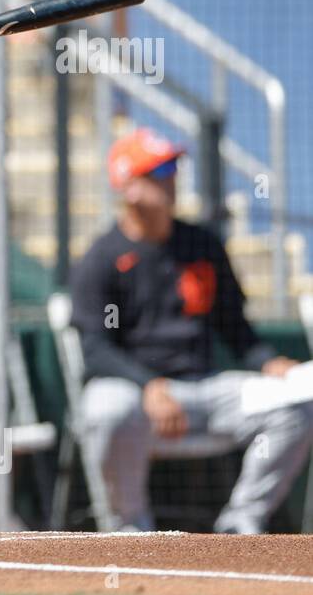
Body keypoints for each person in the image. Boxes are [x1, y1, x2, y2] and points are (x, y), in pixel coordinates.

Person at [70, 128, 313, 533]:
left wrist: (269, 363)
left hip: (207, 389)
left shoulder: (202, 244)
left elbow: (236, 329)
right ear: (128, 186)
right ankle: (130, 529)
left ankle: (239, 524)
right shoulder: (102, 258)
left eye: (174, 168)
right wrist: (149, 385)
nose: (171, 179)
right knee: (105, 409)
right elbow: (95, 347)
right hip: (137, 393)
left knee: (295, 406)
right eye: (158, 170)